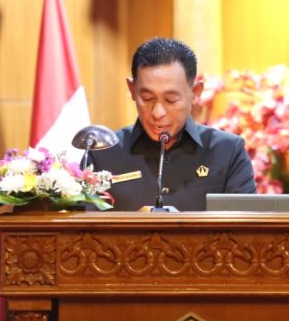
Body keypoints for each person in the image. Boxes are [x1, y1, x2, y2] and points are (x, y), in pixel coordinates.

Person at [87, 37, 256, 211]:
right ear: (132, 90)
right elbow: (82, 224)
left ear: (195, 92)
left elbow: (248, 224)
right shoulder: (102, 153)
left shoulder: (228, 152)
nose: (157, 113)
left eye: (171, 100)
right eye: (147, 98)